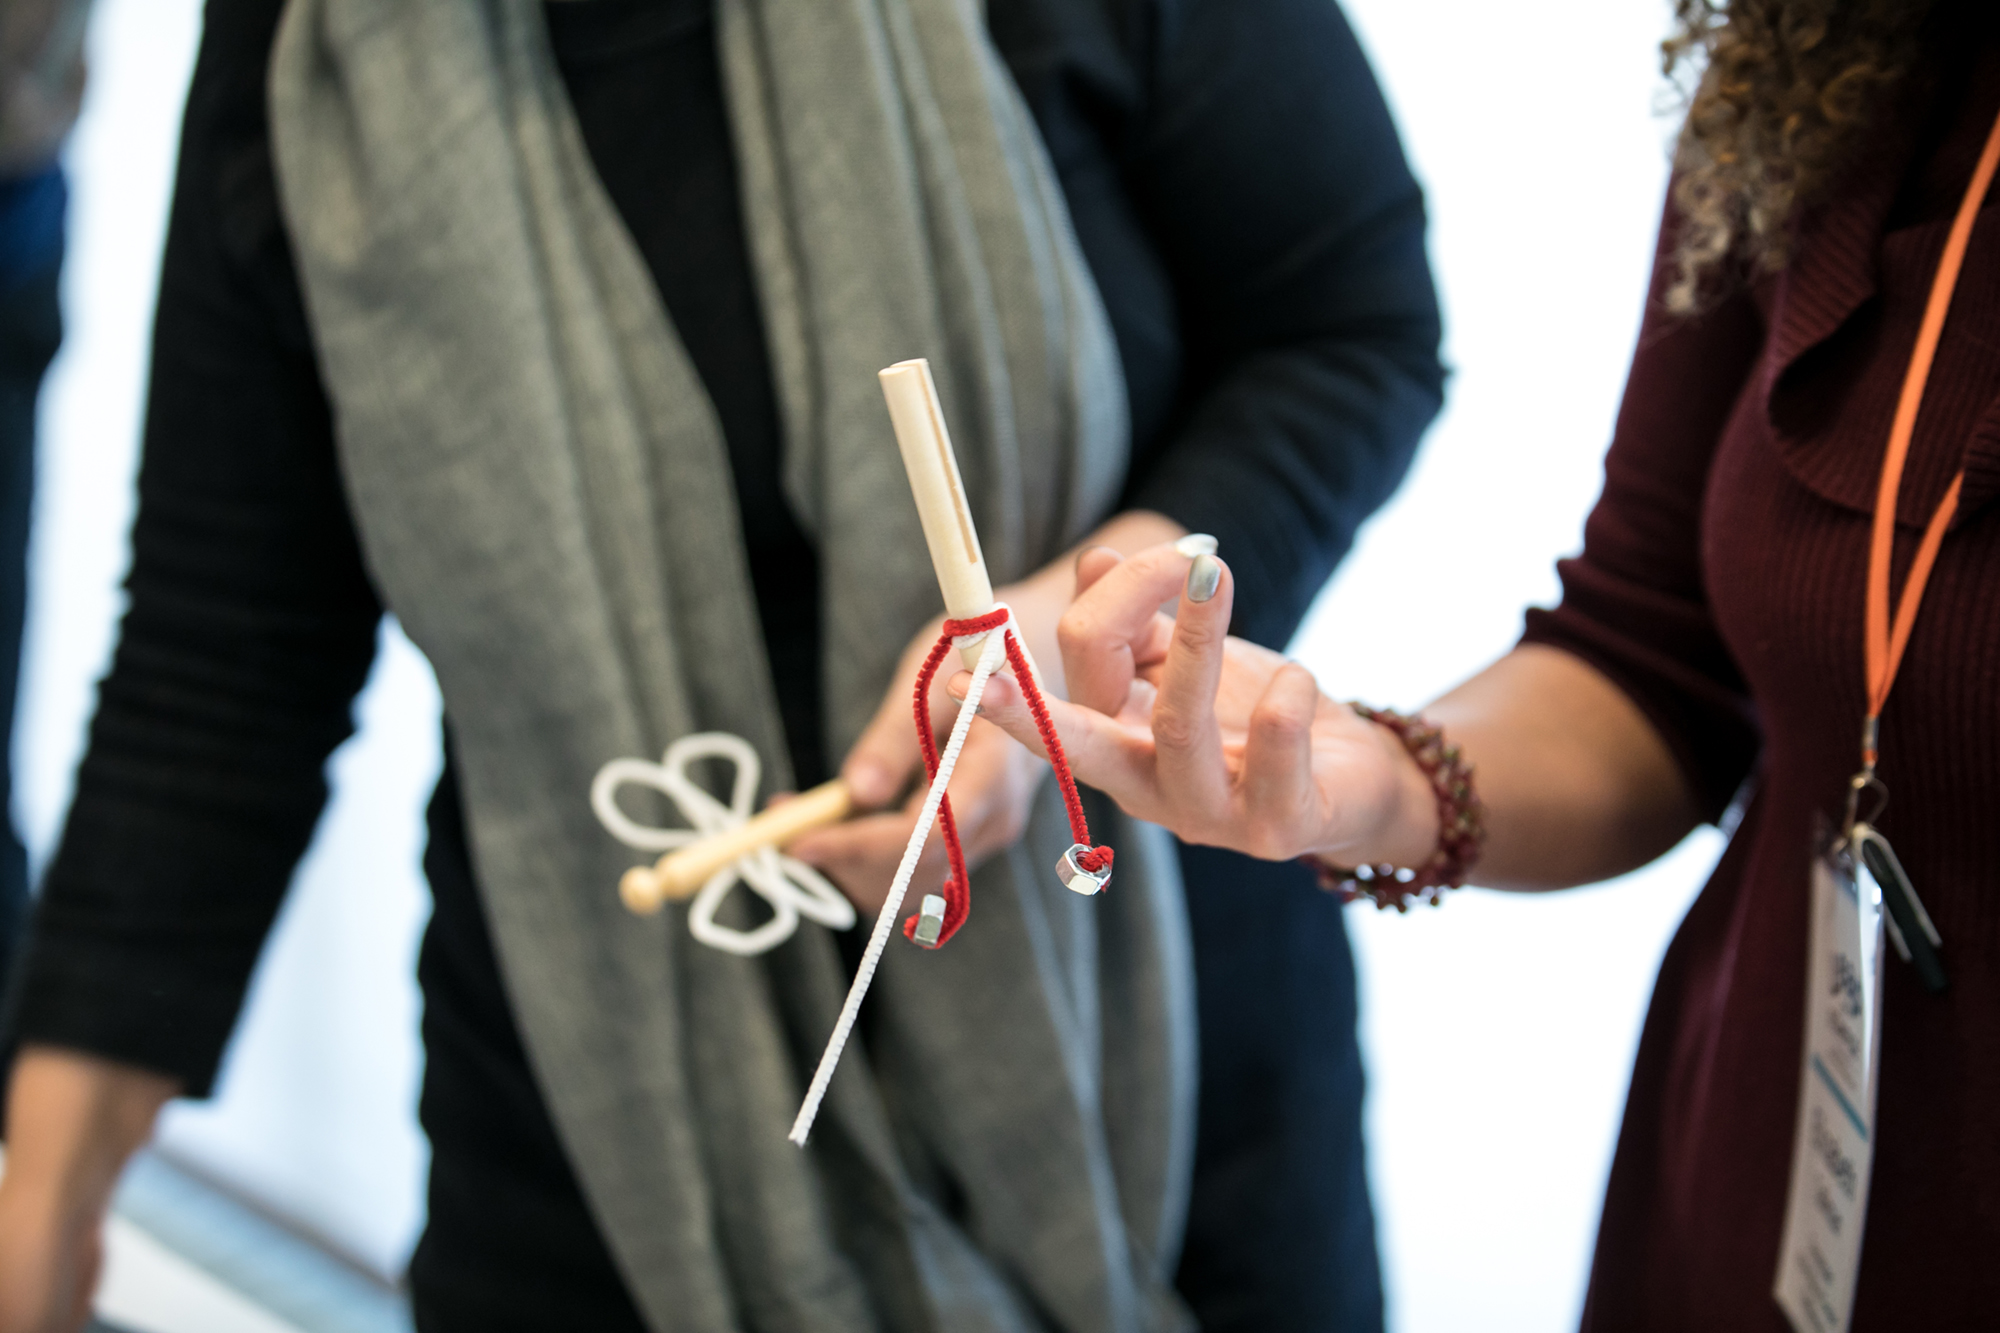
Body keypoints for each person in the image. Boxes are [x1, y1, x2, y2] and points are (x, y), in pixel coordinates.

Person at [0, 2, 1441, 1331]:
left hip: (1150, 1059)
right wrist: (42, 1200)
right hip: (600, 1113)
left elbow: (1347, 323)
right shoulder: (320, 45)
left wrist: (1082, 635)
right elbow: (226, 645)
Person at [972, 1, 2000, 1327]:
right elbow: (1651, 656)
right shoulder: (1846, 65)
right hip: (1769, 1195)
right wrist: (1372, 776)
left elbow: (1350, 325)